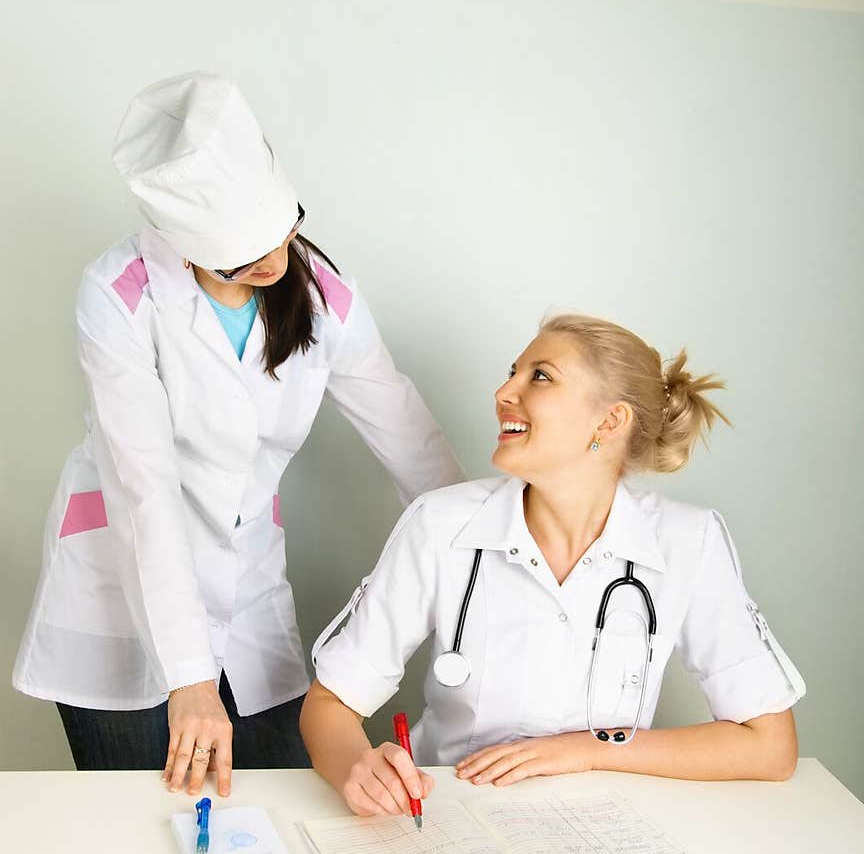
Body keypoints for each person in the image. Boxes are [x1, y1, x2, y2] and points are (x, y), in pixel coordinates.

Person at [13, 73, 464, 797]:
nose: (270, 263)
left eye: (278, 234)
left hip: (247, 590)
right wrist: (188, 676)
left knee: (281, 812)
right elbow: (144, 488)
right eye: (238, 256)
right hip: (121, 593)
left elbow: (410, 437)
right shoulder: (118, 294)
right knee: (151, 828)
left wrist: (484, 568)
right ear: (178, 240)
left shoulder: (319, 293)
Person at [300, 313, 804, 817]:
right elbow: (329, 707)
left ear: (609, 422)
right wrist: (357, 768)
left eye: (539, 376)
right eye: (513, 372)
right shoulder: (439, 524)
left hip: (606, 827)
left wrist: (585, 750)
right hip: (455, 818)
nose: (503, 392)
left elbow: (770, 745)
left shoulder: (688, 541)